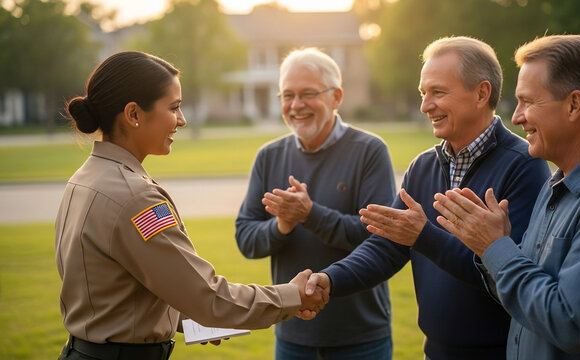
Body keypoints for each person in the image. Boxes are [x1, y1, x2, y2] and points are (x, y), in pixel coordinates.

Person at [55, 51, 325, 360]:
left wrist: (185, 318)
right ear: (133, 115)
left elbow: (113, 291)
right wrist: (293, 296)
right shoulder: (136, 198)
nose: (182, 120)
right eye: (174, 108)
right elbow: (208, 297)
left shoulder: (83, 179)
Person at [304, 36, 550, 359]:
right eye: (423, 93)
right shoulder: (423, 167)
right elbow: (386, 248)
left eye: (437, 92)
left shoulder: (524, 166)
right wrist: (328, 280)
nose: (425, 106)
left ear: (481, 93)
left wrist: (423, 235)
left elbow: (510, 275)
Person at [433, 35, 580, 359]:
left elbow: (569, 324)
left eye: (528, 101)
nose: (516, 117)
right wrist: (490, 251)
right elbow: (527, 299)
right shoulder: (560, 180)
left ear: (573, 105)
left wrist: (495, 248)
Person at [235, 47, 396, 359]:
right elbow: (246, 239)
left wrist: (310, 214)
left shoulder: (370, 151)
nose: (296, 105)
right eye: (287, 95)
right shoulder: (269, 156)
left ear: (336, 97)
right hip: (292, 336)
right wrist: (282, 225)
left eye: (307, 93)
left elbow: (378, 238)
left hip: (361, 337)